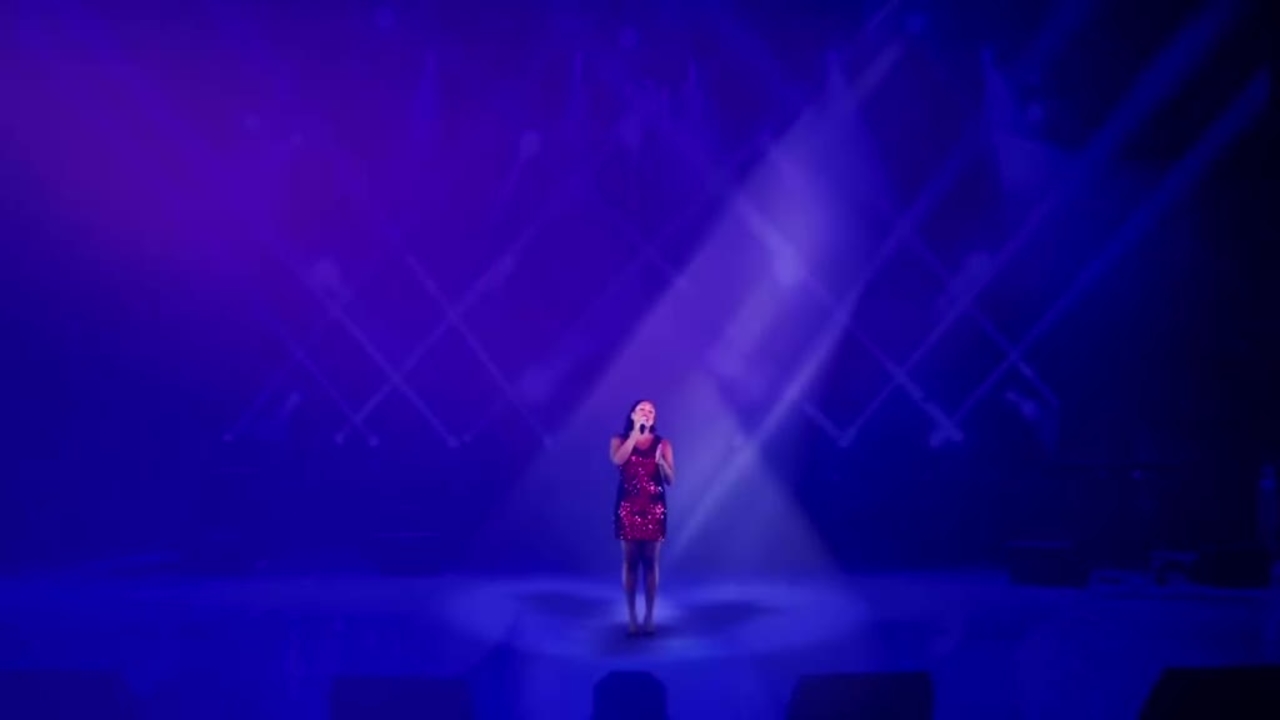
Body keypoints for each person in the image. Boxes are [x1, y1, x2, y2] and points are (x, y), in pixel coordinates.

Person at [610, 399, 675, 635]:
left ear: (654, 418)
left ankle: (649, 617)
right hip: (628, 506)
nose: (647, 413)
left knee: (650, 562)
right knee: (630, 562)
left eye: (651, 411)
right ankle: (632, 617)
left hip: (654, 509)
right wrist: (634, 436)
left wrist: (661, 463)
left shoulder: (663, 444)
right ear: (633, 415)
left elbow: (670, 480)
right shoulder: (619, 440)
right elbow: (618, 460)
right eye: (642, 409)